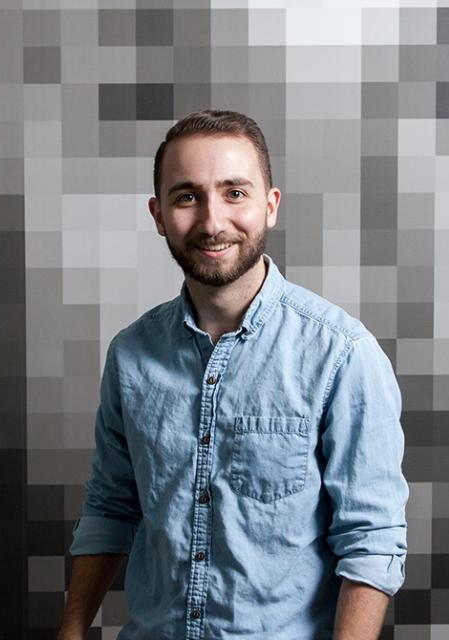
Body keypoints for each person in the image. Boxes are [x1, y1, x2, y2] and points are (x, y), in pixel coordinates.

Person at [57, 109, 408, 640]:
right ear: (158, 215)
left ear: (270, 206)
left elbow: (373, 540)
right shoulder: (130, 355)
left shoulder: (342, 355)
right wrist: (72, 628)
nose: (212, 222)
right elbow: (111, 504)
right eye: (187, 197)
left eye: (235, 193)